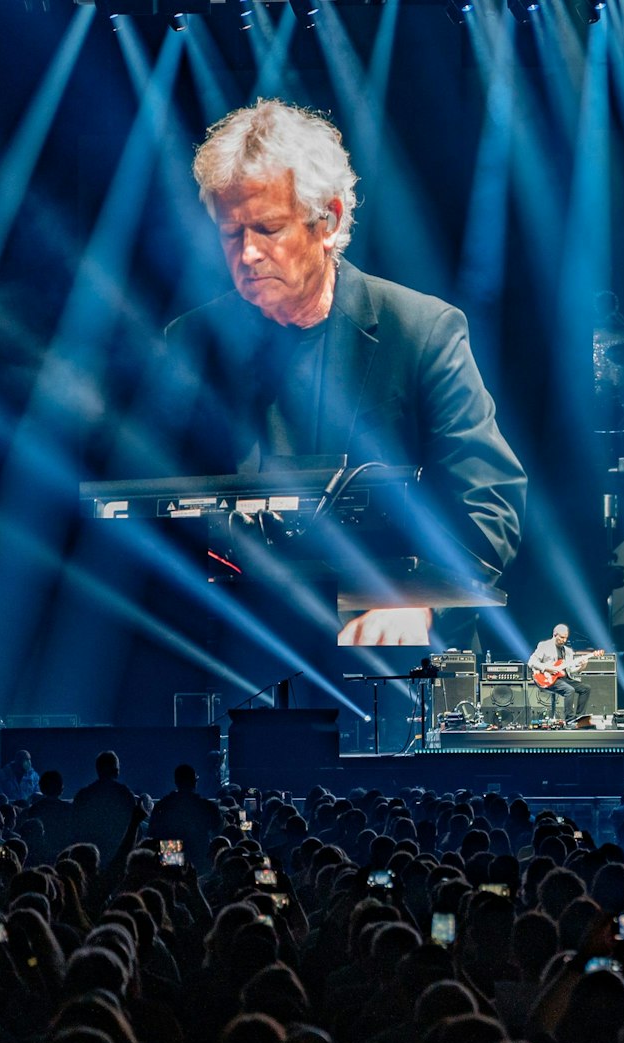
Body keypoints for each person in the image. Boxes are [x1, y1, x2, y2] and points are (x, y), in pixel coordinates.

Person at [163, 98, 527, 647]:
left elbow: (490, 504)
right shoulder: (194, 341)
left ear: (328, 220)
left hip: (394, 654)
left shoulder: (421, 329)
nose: (249, 254)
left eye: (268, 227)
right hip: (237, 648)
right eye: (231, 233)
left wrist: (421, 608)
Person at [146, 764, 223, 866]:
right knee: (198, 877)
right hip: (198, 849)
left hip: (171, 846)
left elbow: (152, 832)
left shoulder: (163, 805)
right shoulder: (206, 806)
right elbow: (218, 830)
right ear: (195, 782)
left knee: (172, 878)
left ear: (176, 782)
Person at [71, 751, 139, 864]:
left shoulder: (83, 795)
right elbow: (135, 827)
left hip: (89, 859)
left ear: (98, 770)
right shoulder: (125, 794)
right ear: (116, 771)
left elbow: (74, 828)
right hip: (120, 857)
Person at [528, 625, 594, 723]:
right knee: (569, 690)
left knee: (586, 688)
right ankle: (569, 720)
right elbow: (531, 662)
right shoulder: (544, 646)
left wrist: (582, 666)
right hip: (547, 678)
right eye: (562, 637)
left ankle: (580, 719)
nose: (564, 640)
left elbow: (570, 670)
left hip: (563, 678)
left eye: (566, 637)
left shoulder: (568, 651)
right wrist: (547, 668)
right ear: (555, 635)